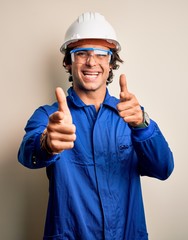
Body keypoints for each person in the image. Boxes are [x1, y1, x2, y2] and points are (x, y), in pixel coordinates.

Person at [18, 12, 174, 240]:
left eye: (101, 53)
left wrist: (143, 125)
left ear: (111, 63)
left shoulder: (132, 115)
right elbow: (26, 154)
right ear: (68, 62)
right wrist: (46, 144)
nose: (91, 61)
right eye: (81, 53)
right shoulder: (50, 116)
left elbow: (163, 169)